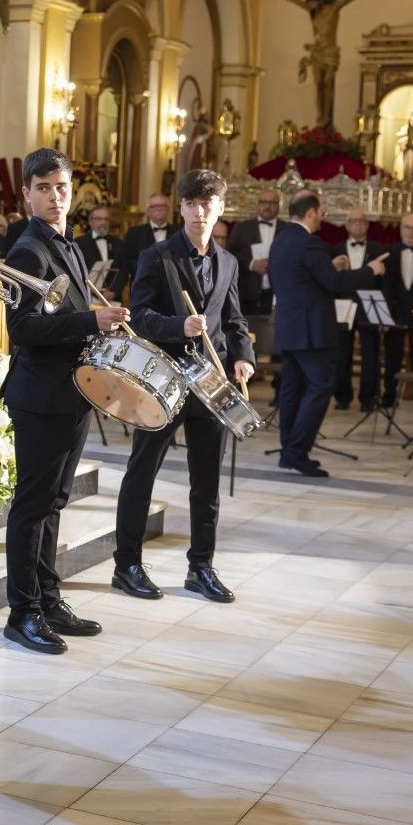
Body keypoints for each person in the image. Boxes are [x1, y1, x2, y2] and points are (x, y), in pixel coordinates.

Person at [0, 148, 129, 654]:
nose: (56, 197)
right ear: (27, 193)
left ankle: (48, 598)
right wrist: (89, 321)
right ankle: (22, 612)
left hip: (71, 392)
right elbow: (22, 330)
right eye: (45, 188)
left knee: (55, 501)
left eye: (62, 187)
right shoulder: (27, 251)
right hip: (40, 396)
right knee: (33, 506)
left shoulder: (67, 247)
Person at [114, 169, 253, 605]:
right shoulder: (158, 257)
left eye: (206, 205)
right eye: (190, 204)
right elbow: (140, 315)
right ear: (181, 208)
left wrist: (244, 356)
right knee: (142, 472)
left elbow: (234, 321)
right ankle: (127, 564)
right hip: (164, 380)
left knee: (206, 480)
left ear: (220, 210)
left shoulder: (228, 262)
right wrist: (181, 326)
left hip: (211, 384)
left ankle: (201, 567)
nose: (198, 212)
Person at [268, 191, 386, 476]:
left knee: (292, 389)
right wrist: (370, 270)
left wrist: (328, 268)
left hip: (289, 327)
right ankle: (297, 451)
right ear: (310, 212)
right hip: (311, 330)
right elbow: (334, 284)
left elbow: (299, 279)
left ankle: (288, 450)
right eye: (321, 211)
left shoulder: (281, 239)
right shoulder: (309, 242)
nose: (323, 217)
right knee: (321, 386)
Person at [332, 208, 390, 411]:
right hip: (343, 307)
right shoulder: (334, 249)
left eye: (362, 222)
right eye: (353, 221)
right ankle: (342, 397)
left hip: (369, 306)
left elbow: (385, 284)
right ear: (346, 225)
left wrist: (384, 314)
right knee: (341, 354)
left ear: (367, 225)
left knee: (371, 355)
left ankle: (368, 399)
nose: (358, 225)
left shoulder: (379, 249)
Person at [381, 212, 413, 407]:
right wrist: (385, 315)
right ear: (401, 229)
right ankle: (389, 396)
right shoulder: (390, 252)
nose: (411, 233)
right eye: (407, 228)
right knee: (392, 357)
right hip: (395, 314)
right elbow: (385, 286)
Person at [227, 188, 282, 315]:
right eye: (264, 202)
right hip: (247, 293)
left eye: (273, 203)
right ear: (258, 204)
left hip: (277, 293)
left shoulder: (287, 229)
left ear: (279, 206)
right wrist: (251, 263)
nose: (268, 206)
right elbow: (230, 255)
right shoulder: (241, 228)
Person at [121, 193, 178, 281]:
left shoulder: (178, 232)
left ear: (168, 209)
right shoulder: (134, 233)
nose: (159, 209)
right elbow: (129, 260)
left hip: (172, 284)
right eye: (155, 206)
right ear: (148, 211)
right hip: (143, 284)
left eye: (162, 206)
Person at [76, 204, 125, 301]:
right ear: (90, 221)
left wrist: (114, 291)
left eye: (106, 219)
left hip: (113, 299)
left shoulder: (119, 243)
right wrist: (96, 292)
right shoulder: (78, 243)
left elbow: (124, 270)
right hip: (88, 298)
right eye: (99, 219)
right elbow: (78, 271)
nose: (103, 222)